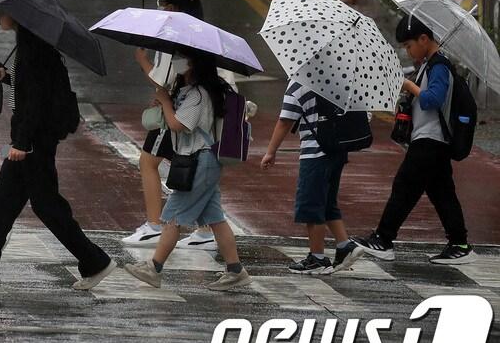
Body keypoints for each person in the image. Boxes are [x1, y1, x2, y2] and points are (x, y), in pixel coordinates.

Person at [0, 12, 116, 290]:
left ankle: (94, 260)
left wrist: (22, 143)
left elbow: (35, 103)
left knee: (46, 205)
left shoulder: (34, 52)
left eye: (1, 13)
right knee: (3, 202)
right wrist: (7, 77)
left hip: (33, 143)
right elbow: (29, 90)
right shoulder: (30, 48)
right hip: (30, 139)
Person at [125, 53, 252, 291]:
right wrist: (164, 104)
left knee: (173, 216)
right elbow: (172, 120)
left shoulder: (199, 94)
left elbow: (180, 125)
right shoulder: (189, 90)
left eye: (182, 58)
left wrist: (165, 102)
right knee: (215, 219)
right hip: (202, 161)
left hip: (200, 162)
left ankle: (154, 268)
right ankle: (236, 271)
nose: (176, 62)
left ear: (195, 63)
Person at [352, 17, 473, 264]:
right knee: (442, 193)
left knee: (404, 186)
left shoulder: (439, 66)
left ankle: (383, 239)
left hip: (430, 140)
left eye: (409, 45)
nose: (408, 51)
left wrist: (409, 85)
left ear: (424, 39)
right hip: (432, 140)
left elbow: (432, 100)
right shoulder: (431, 65)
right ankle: (460, 244)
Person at [121, 0, 219, 253]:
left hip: (176, 110)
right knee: (193, 167)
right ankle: (206, 230)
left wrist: (142, 60)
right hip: (191, 109)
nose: (161, 8)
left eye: (163, 3)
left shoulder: (174, 34)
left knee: (148, 161)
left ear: (173, 7)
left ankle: (154, 225)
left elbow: (164, 79)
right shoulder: (201, 32)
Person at [260, 80, 366, 275]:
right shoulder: (338, 77)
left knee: (311, 203)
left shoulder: (300, 81)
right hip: (337, 151)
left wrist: (271, 151)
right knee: (326, 202)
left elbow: (285, 120)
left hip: (315, 152)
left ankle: (317, 258)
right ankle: (345, 245)